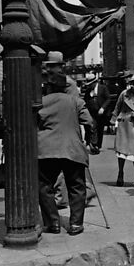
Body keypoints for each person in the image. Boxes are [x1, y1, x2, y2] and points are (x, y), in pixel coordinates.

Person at [36, 71, 94, 236]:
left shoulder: (41, 102)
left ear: (48, 86)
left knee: (44, 186)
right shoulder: (76, 101)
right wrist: (90, 142)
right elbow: (89, 122)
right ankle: (76, 224)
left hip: (47, 150)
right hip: (72, 149)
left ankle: (53, 222)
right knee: (76, 186)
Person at [110, 74, 134, 189]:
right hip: (124, 124)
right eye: (131, 83)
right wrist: (113, 122)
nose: (132, 85)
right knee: (122, 152)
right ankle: (120, 174)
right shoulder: (124, 94)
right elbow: (117, 108)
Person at [83, 74, 111, 150]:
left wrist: (103, 108)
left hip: (101, 112)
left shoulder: (103, 88)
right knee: (92, 127)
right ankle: (92, 143)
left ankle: (98, 145)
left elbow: (108, 99)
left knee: (100, 128)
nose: (90, 86)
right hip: (91, 112)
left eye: (91, 84)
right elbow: (86, 100)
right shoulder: (88, 90)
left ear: (95, 82)